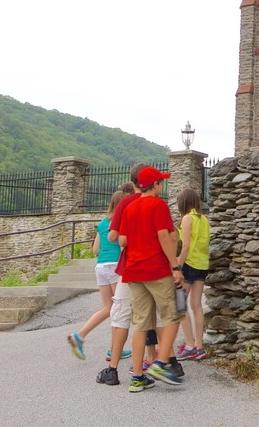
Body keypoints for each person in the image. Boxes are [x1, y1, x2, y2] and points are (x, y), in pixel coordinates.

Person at [119, 166, 185, 392]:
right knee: (173, 315)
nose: (162, 186)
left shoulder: (130, 207)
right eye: (161, 182)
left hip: (134, 271)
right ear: (155, 184)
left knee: (141, 324)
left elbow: (122, 241)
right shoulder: (158, 205)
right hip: (156, 269)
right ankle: (160, 362)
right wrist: (175, 265)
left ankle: (137, 377)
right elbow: (164, 237)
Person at [95, 165, 145, 387]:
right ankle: (147, 367)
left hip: (127, 266)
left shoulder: (125, 204)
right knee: (148, 318)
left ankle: (112, 369)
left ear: (131, 181)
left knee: (120, 314)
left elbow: (116, 236)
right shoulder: (156, 203)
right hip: (150, 266)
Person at [67, 190, 130, 361]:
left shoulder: (102, 222)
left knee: (107, 308)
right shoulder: (121, 221)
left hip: (100, 266)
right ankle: (113, 349)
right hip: (116, 265)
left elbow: (95, 249)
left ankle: (79, 336)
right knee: (118, 309)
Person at [174, 188, 210, 361]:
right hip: (202, 265)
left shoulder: (187, 218)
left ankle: (189, 345)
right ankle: (199, 346)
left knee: (179, 303)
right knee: (196, 305)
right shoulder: (204, 219)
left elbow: (185, 245)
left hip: (188, 265)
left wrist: (177, 266)